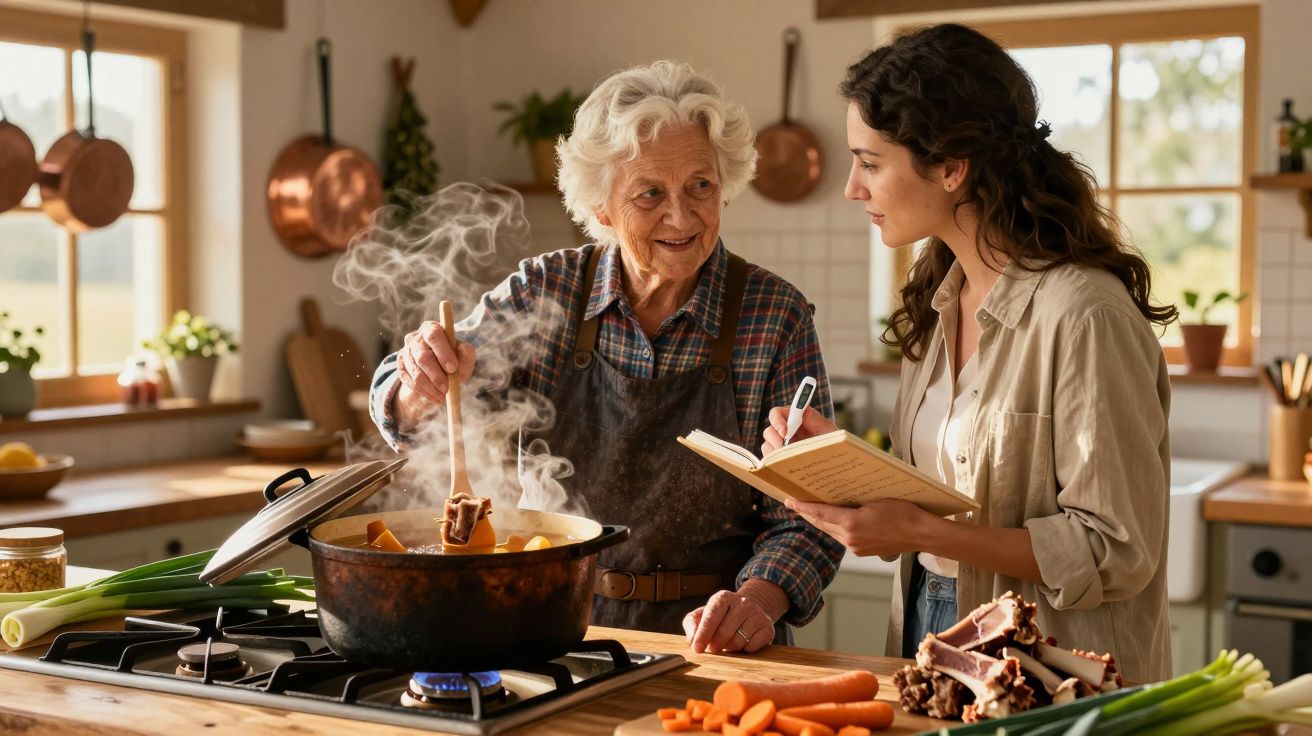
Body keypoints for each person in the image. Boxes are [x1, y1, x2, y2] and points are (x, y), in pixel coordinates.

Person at [371, 60, 844, 654]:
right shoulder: (545, 292)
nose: (681, 215)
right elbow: (411, 408)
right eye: (650, 194)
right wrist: (418, 383)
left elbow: (809, 519)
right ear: (601, 209)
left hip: (716, 642)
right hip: (550, 626)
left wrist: (757, 602)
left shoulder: (775, 316)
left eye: (700, 185)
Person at [762, 24, 1176, 683]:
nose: (852, 187)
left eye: (870, 161)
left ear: (952, 167)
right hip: (931, 625)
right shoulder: (936, 299)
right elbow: (952, 490)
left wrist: (922, 535)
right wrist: (834, 464)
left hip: (1053, 668)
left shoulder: (1084, 313)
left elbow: (1115, 551)